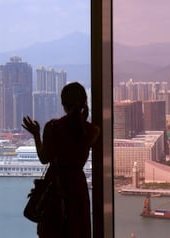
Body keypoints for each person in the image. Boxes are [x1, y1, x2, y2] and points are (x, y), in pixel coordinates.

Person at [22, 82, 100, 238]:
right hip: (77, 187)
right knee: (77, 229)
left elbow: (44, 159)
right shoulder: (92, 131)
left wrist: (37, 135)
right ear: (84, 102)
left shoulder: (53, 127)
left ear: (63, 104)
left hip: (55, 187)